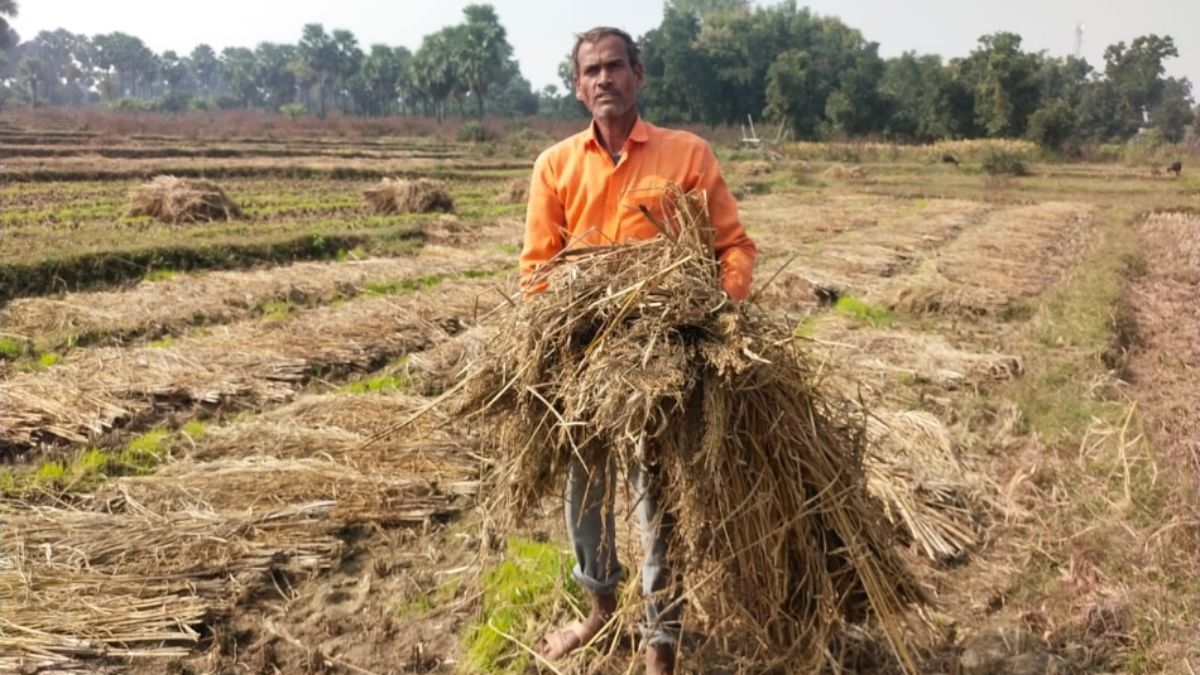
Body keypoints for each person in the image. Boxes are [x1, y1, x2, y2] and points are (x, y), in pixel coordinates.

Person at [518, 26, 756, 675]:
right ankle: (598, 604)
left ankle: (660, 640)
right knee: (584, 491)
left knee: (659, 499)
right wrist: (574, 318)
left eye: (615, 67)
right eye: (591, 70)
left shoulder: (687, 156)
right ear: (576, 86)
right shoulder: (556, 166)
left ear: (638, 75)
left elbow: (732, 247)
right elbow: (537, 270)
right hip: (587, 361)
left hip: (667, 359)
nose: (604, 79)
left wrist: (720, 308)